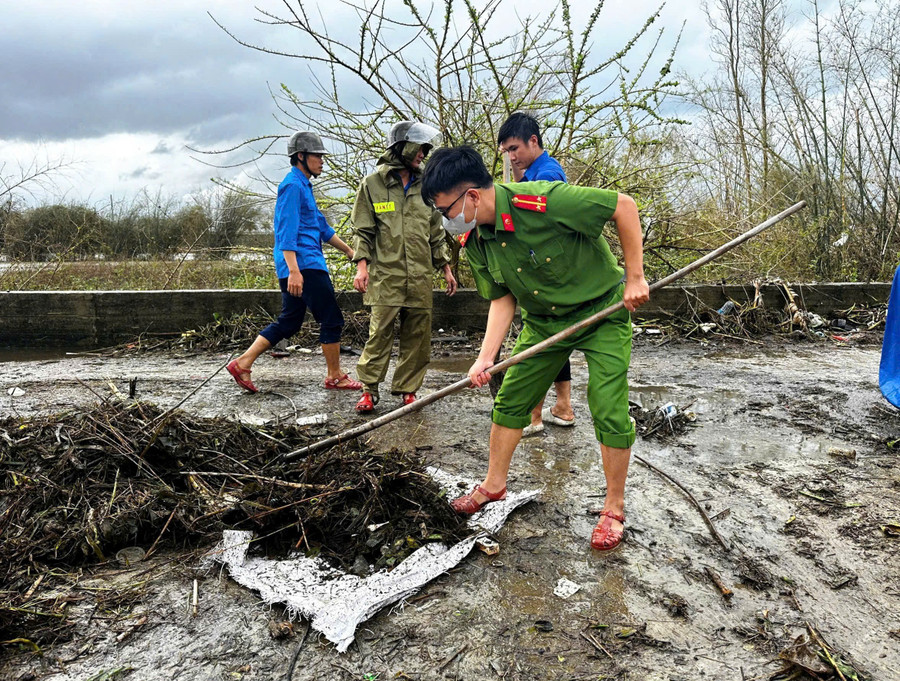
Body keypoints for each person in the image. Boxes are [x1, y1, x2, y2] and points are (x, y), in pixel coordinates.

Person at [421, 146, 650, 552]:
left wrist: (635, 278)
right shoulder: (477, 239)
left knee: (607, 403)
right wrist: (485, 357)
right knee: (512, 398)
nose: (447, 220)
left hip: (603, 311)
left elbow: (624, 207)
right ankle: (494, 485)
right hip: (546, 322)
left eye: (446, 210)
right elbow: (502, 298)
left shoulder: (542, 201)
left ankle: (613, 507)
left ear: (472, 195)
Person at [226, 131, 362, 394]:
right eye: (317, 156)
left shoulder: (304, 186)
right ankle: (334, 376)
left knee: (290, 320)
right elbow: (286, 231)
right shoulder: (292, 185)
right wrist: (294, 271)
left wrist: (349, 251)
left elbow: (320, 226)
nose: (322, 161)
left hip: (301, 263)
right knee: (331, 318)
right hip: (304, 264)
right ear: (301, 156)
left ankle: (242, 363)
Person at [351, 121, 458, 412]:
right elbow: (363, 230)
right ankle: (369, 390)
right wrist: (362, 267)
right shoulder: (372, 185)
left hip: (420, 275)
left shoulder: (427, 187)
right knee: (379, 333)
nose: (423, 154)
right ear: (401, 148)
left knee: (418, 336)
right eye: (419, 149)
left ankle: (408, 390)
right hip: (386, 275)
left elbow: (435, 232)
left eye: (425, 149)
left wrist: (445, 267)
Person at [497, 112, 574, 437]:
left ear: (533, 141)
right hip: (551, 272)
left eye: (514, 148)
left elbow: (537, 223)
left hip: (547, 273)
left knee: (541, 344)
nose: (511, 156)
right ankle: (563, 408)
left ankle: (534, 416)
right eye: (506, 151)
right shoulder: (533, 174)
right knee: (557, 341)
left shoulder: (547, 175)